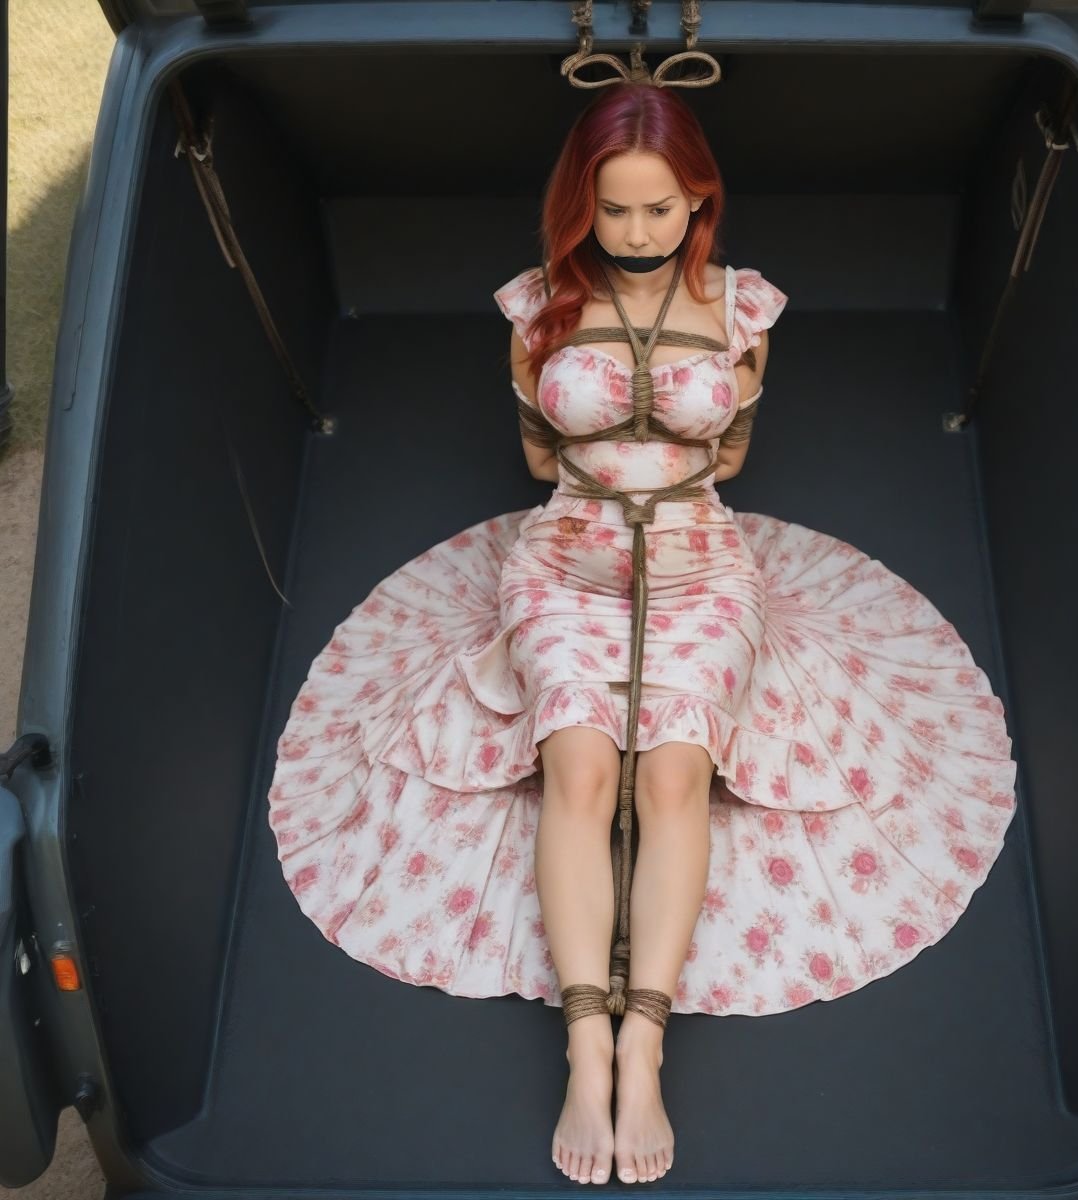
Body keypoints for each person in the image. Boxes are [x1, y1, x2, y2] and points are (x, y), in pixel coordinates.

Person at [268, 80, 1018, 1189]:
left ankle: (643, 1048)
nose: (633, 232)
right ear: (580, 206)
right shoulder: (536, 306)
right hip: (564, 561)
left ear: (698, 199)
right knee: (574, 765)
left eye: (658, 209)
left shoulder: (745, 308)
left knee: (675, 775)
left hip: (701, 562)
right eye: (611, 210)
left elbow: (730, 461)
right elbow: (540, 457)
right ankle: (587, 1048)